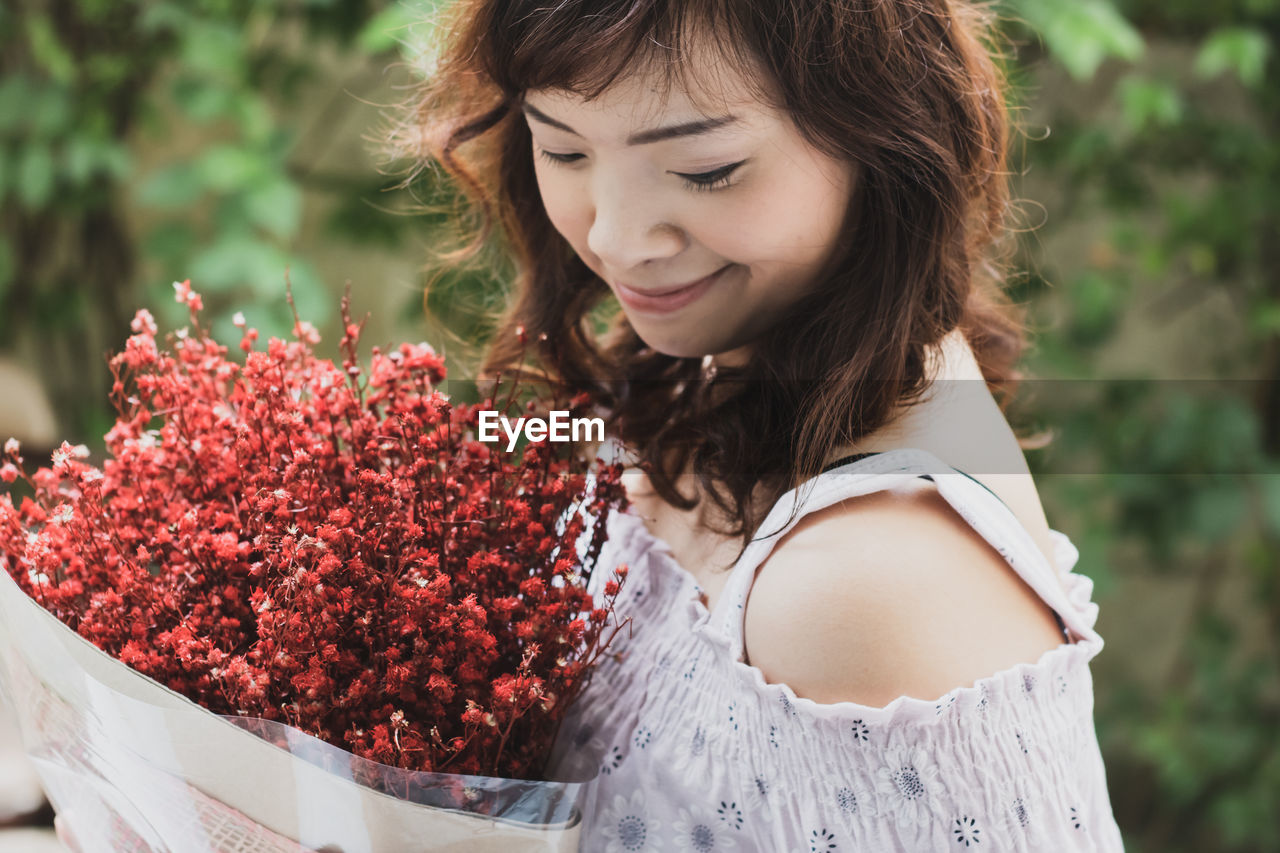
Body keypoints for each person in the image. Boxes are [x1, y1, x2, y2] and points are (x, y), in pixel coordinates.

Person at [409, 0, 1125, 849]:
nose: (616, 237)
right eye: (562, 148)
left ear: (881, 135)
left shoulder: (869, 582)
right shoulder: (714, 362)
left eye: (707, 170)